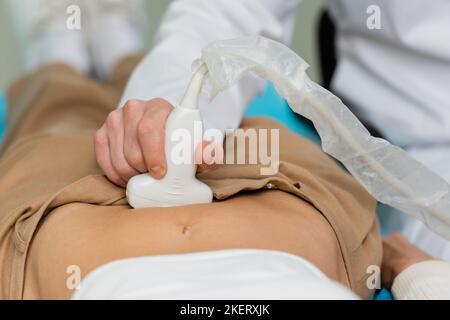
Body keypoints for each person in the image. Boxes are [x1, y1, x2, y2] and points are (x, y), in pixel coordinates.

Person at [0, 0, 448, 300]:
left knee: (60, 113)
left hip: (59, 224)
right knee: (161, 108)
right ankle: (122, 53)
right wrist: (421, 277)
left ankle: (60, 48)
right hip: (282, 193)